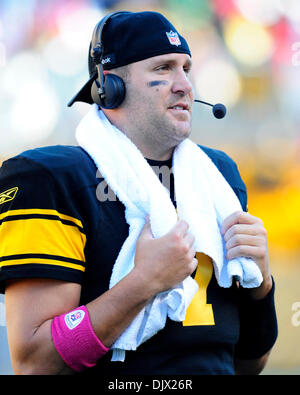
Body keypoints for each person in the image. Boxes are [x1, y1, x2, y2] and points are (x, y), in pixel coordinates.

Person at [0, 11, 277, 375]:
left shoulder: (218, 177)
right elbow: (34, 363)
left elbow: (246, 364)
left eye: (186, 69)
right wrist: (144, 282)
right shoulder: (51, 178)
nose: (185, 85)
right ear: (108, 85)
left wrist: (262, 286)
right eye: (163, 69)